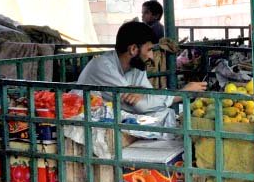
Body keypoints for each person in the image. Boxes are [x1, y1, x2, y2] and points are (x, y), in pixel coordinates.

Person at [77, 22, 205, 124]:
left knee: (164, 113)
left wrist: (143, 94)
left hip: (120, 116)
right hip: (91, 120)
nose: (152, 57)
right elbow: (141, 106)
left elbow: (150, 97)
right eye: (149, 50)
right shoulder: (103, 66)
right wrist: (182, 93)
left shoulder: (136, 67)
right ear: (133, 49)